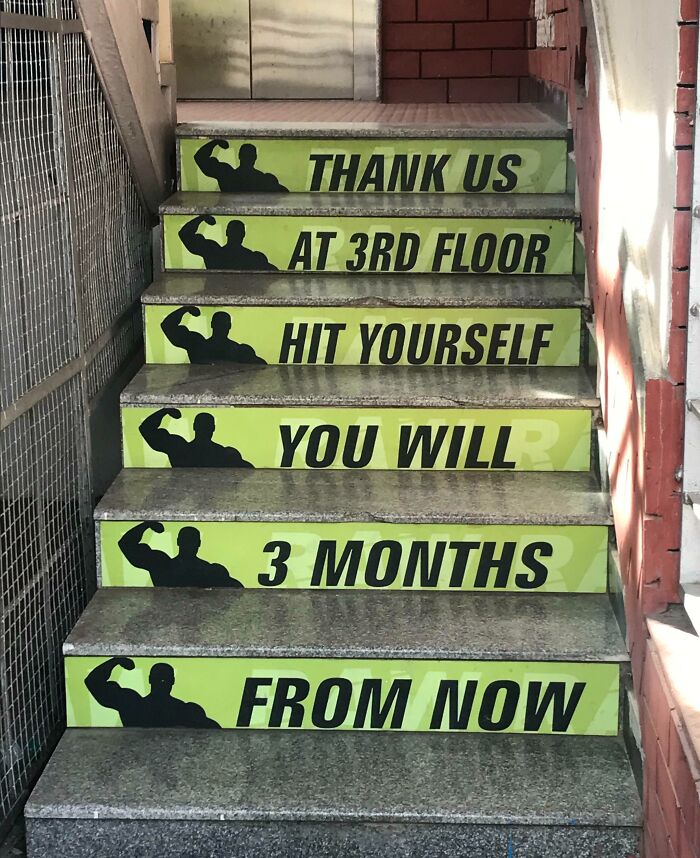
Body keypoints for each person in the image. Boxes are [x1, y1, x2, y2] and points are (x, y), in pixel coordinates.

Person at [84, 657, 221, 728]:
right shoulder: (185, 710)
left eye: (164, 679)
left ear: (150, 679)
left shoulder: (132, 705)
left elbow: (93, 682)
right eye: (160, 678)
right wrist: (116, 661)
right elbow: (93, 682)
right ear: (172, 681)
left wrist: (116, 661)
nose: (162, 682)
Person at [118, 521, 244, 588]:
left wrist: (147, 525)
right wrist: (146, 525)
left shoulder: (210, 570)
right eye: (186, 540)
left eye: (191, 540)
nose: (189, 544)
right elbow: (126, 544)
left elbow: (237, 590)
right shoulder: (162, 564)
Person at [138, 408, 254, 468]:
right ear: (213, 428)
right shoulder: (224, 454)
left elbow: (146, 429)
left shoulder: (179, 449)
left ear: (194, 426)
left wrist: (164, 411)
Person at [161, 305, 267, 365]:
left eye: (224, 324)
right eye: (219, 323)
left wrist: (185, 309)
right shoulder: (197, 344)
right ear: (212, 324)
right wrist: (185, 309)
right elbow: (167, 326)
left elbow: (262, 367)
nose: (221, 327)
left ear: (229, 326)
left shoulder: (239, 350)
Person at [178, 215, 278, 272]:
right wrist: (202, 217)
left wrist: (202, 218)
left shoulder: (213, 252)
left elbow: (185, 234)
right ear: (243, 235)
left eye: (236, 231)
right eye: (235, 231)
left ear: (227, 233)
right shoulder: (253, 257)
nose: (236, 234)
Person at [194, 139, 289, 193]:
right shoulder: (263, 179)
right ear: (255, 158)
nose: (248, 157)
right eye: (246, 155)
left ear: (239, 156)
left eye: (249, 155)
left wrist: (215, 142)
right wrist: (215, 142)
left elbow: (200, 158)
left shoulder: (227, 175)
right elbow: (284, 192)